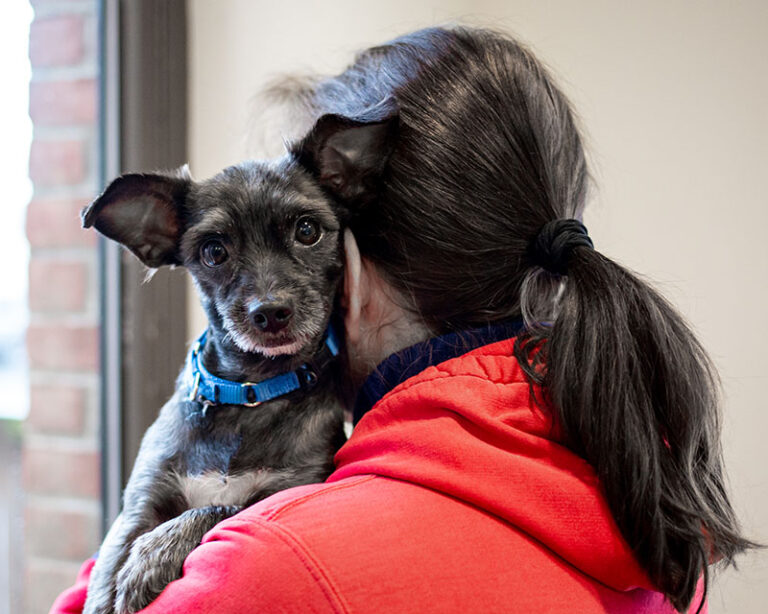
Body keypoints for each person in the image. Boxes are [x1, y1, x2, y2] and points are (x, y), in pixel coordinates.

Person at [51, 26, 752, 614]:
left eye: (304, 233)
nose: (268, 292)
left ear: (347, 272)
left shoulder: (264, 571)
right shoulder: (647, 502)